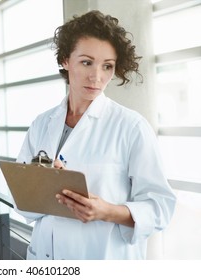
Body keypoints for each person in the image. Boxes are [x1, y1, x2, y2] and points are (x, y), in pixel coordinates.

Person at [16, 10, 176, 260]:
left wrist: (106, 211)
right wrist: (43, 186)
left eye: (107, 66)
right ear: (65, 60)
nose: (97, 77)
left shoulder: (131, 127)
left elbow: (160, 208)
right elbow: (23, 201)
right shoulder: (41, 124)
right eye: (86, 62)